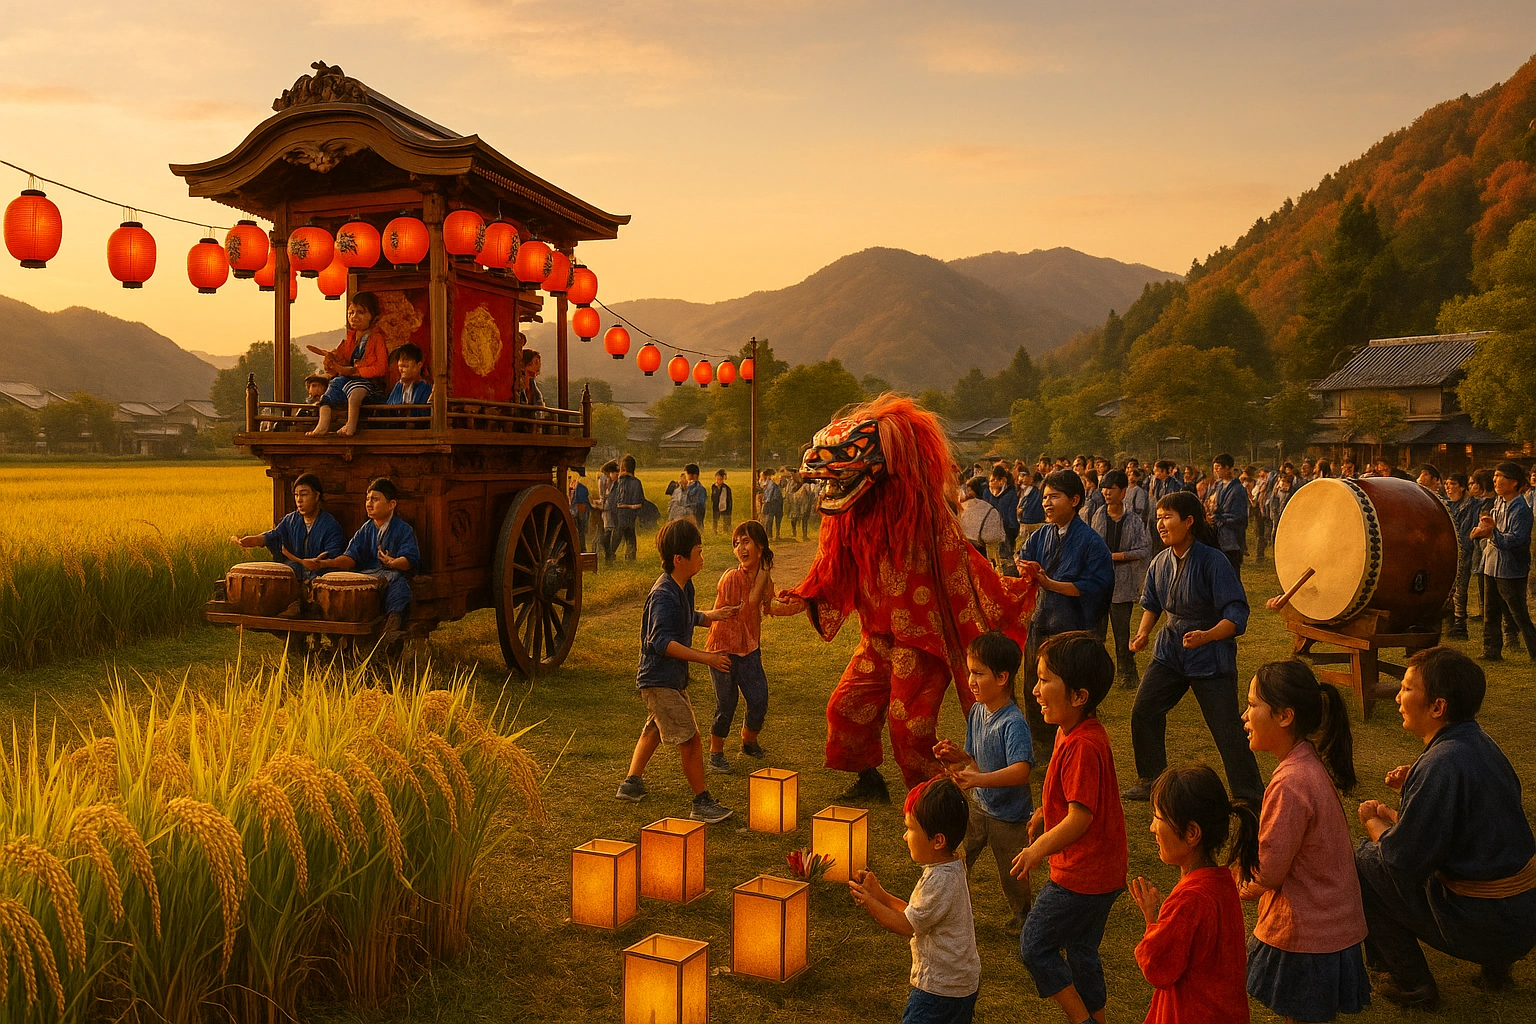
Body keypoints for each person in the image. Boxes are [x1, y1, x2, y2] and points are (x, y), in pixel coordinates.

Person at [1355, 647, 1536, 1008]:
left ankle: (1412, 985)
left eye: (1407, 688)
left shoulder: (1442, 763)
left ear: (1438, 707)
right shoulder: (1479, 743)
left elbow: (1400, 861)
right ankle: (1496, 970)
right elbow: (1469, 824)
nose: (1398, 696)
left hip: (1485, 922)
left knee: (1363, 862)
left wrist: (1375, 820)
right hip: (1522, 915)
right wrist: (1414, 789)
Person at [1240, 660, 1370, 1022]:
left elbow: (1267, 873)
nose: (1245, 715)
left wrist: (1227, 885)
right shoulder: (1306, 763)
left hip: (1309, 934)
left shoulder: (1290, 784)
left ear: (1284, 716)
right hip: (1332, 926)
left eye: (1252, 705)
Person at [1010, 633, 1126, 1024]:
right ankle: (1098, 1016)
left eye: (1045, 681)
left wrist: (1037, 848)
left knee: (1035, 945)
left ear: (1078, 695)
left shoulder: (1083, 746)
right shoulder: (1072, 731)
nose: (1035, 690)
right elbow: (1070, 792)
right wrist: (1045, 810)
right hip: (1104, 873)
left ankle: (1084, 1021)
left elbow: (1081, 816)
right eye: (1037, 678)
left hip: (1082, 875)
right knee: (1082, 948)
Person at [1125, 490, 1264, 806]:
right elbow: (1152, 603)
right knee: (1144, 710)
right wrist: (1143, 633)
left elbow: (1236, 613)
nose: (1160, 524)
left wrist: (1208, 635)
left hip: (1210, 656)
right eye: (1158, 518)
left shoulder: (1213, 561)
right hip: (1171, 650)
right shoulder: (1160, 561)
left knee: (1227, 726)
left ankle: (1249, 793)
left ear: (1189, 521)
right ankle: (1152, 779)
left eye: (1168, 517)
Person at [615, 518, 739, 823]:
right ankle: (701, 801)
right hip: (658, 678)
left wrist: (709, 615)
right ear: (678, 559)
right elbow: (661, 642)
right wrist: (706, 657)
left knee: (656, 727)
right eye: (697, 551)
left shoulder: (684, 586)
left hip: (669, 678)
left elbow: (682, 615)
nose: (702, 556)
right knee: (690, 737)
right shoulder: (663, 594)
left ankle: (630, 785)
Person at [1129, 765, 1256, 1024]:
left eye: (1158, 817)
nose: (1152, 828)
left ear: (1191, 833)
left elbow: (1157, 967)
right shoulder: (1221, 882)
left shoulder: (1189, 899)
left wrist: (1152, 924)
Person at [849, 778, 980, 1024]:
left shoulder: (937, 881)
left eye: (910, 828)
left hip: (939, 989)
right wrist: (880, 894)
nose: (904, 836)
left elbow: (906, 925)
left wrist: (869, 902)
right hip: (960, 983)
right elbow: (917, 915)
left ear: (937, 840)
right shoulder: (952, 865)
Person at [933, 631, 1035, 936]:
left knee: (1012, 871)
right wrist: (957, 757)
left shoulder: (1013, 723)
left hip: (1009, 817)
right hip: (979, 807)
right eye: (970, 672)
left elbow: (1021, 771)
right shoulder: (977, 711)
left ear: (1002, 677)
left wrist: (978, 779)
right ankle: (944, 904)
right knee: (958, 857)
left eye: (978, 673)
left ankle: (1024, 915)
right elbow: (975, 758)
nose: (971, 681)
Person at [1014, 470, 1114, 762]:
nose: (1047, 503)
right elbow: (1022, 556)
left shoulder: (1091, 542)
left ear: (1074, 500)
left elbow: (1097, 588)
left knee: (1071, 690)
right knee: (1036, 686)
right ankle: (1042, 747)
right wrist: (1024, 569)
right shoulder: (1041, 535)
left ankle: (1077, 746)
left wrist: (1050, 583)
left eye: (1054, 496)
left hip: (1071, 628)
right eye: (1045, 497)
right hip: (1041, 622)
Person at [706, 520, 794, 772]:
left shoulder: (765, 579)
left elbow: (769, 607)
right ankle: (716, 753)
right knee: (727, 703)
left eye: (746, 542)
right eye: (737, 543)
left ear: (760, 546)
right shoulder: (732, 577)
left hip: (749, 647)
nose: (740, 548)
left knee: (759, 699)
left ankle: (748, 741)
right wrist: (765, 573)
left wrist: (802, 601)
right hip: (723, 649)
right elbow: (747, 610)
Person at [314, 477, 420, 646]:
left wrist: (393, 562)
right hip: (369, 574)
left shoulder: (403, 529)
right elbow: (351, 557)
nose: (369, 504)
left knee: (398, 584)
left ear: (392, 504)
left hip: (391, 576)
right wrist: (327, 564)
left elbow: (409, 559)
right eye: (367, 499)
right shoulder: (365, 529)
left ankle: (393, 626)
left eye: (375, 499)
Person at [229, 472, 347, 595]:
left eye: (304, 494)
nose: (299, 500)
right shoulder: (291, 520)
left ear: (317, 496)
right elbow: (274, 536)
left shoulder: (330, 525)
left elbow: (334, 555)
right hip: (294, 576)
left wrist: (320, 564)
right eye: (296, 495)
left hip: (318, 579)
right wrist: (255, 540)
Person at [1091, 470, 1151, 689]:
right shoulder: (1098, 514)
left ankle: (1127, 673)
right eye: (1104, 488)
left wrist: (1115, 556)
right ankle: (1096, 673)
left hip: (1122, 585)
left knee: (1121, 633)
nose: (1106, 492)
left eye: (1112, 488)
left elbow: (1143, 549)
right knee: (1096, 633)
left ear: (1123, 491)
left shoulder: (1134, 520)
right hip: (1098, 583)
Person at [1472, 461, 1536, 661]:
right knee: (1490, 611)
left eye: (1500, 477)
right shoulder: (1499, 502)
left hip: (1511, 568)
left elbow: (1516, 539)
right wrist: (1484, 530)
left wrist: (1492, 534)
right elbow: (1495, 529)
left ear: (1514, 482)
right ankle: (1491, 650)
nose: (1495, 480)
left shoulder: (1521, 509)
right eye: (1495, 476)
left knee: (1518, 613)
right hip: (1491, 564)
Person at [309, 292, 387, 437]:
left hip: (368, 383)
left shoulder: (376, 338)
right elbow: (341, 361)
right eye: (351, 312)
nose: (354, 316)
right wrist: (331, 360)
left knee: (355, 392)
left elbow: (381, 368)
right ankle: (322, 426)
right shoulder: (349, 339)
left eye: (360, 312)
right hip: (346, 380)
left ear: (372, 315)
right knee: (329, 393)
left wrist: (356, 372)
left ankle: (350, 426)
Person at [1444, 472, 1477, 639]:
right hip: (1448, 551)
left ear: (1462, 487)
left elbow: (1466, 532)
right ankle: (1450, 621)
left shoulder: (1471, 506)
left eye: (1452, 484)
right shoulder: (1446, 504)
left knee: (1461, 589)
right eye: (1447, 484)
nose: (1448, 487)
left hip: (1464, 551)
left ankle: (1460, 624)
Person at [1209, 454, 1249, 578]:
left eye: (1218, 468)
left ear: (1229, 468)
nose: (1216, 471)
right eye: (1214, 468)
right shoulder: (1218, 486)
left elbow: (1240, 516)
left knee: (1232, 574)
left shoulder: (1238, 489)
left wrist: (1219, 519)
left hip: (1232, 539)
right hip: (1218, 537)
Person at [960, 477, 1006, 557]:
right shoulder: (989, 509)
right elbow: (993, 537)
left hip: (960, 550)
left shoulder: (960, 506)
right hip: (978, 553)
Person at [611, 455, 645, 561]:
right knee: (630, 538)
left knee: (616, 538)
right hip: (631, 514)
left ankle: (610, 556)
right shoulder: (636, 482)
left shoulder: (618, 482)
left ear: (622, 468)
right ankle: (630, 559)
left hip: (619, 514)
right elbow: (640, 500)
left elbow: (612, 499)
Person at [383, 342, 431, 411]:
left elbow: (423, 413)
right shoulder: (399, 386)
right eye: (400, 366)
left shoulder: (426, 389)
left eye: (406, 366)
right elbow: (388, 409)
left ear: (419, 365)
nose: (401, 370)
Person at [987, 465, 1020, 562]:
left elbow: (1010, 514)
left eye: (994, 480)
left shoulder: (1010, 494)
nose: (991, 483)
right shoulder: (988, 493)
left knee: (1006, 556)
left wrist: (1012, 528)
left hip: (1008, 528)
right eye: (990, 480)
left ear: (1002, 481)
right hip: (993, 528)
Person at [595, 460, 620, 565]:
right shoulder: (606, 480)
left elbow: (602, 495)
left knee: (608, 530)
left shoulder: (603, 479)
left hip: (606, 507)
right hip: (610, 507)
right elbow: (605, 495)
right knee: (610, 531)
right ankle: (609, 554)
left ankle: (608, 554)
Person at [1017, 472, 1046, 542]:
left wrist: (1022, 509)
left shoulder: (1033, 492)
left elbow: (1029, 505)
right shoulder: (1024, 491)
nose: (1022, 484)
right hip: (1028, 520)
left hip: (1030, 520)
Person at [568, 469, 590, 554]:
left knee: (581, 530)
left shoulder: (581, 485)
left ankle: (581, 549)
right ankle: (580, 549)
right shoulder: (579, 485)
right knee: (580, 530)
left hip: (579, 507)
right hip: (578, 507)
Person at [789, 473, 817, 541]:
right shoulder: (796, 486)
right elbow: (792, 494)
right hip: (798, 504)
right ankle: (795, 532)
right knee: (795, 518)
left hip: (805, 504)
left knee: (804, 519)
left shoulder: (808, 486)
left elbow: (812, 495)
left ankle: (804, 535)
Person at [759, 468, 784, 540]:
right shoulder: (768, 483)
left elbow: (769, 494)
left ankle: (772, 535)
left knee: (770, 519)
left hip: (773, 503)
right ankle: (773, 535)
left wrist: (766, 500)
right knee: (771, 520)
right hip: (775, 502)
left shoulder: (771, 484)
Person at [710, 469, 733, 535]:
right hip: (716, 506)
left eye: (720, 479)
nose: (718, 481)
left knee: (726, 519)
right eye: (717, 479)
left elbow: (729, 500)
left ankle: (726, 530)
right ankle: (715, 530)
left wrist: (729, 508)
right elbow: (713, 497)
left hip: (725, 506)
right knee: (715, 519)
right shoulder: (714, 487)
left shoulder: (726, 488)